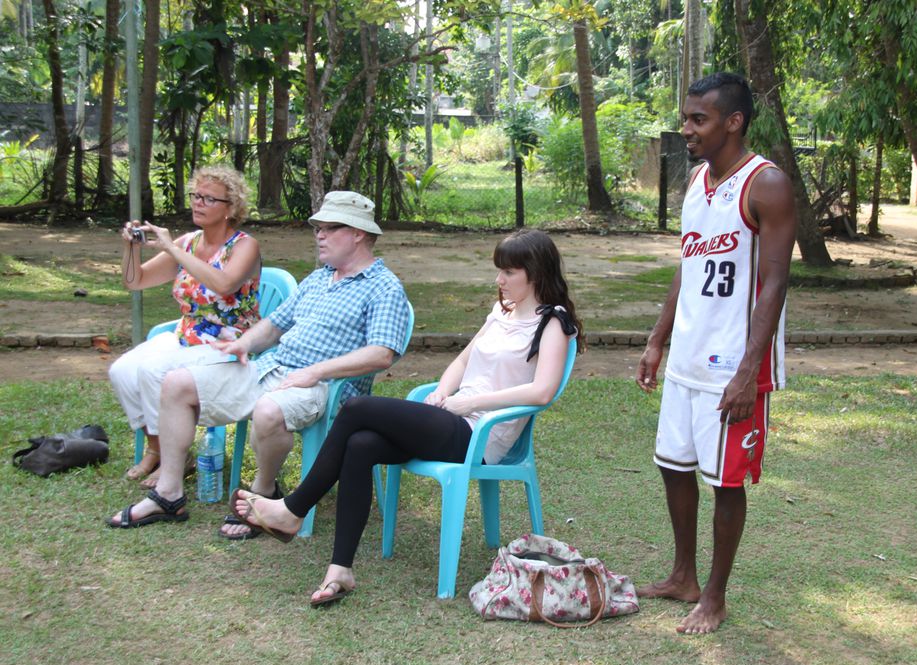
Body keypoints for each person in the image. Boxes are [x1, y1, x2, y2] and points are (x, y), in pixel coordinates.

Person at [229, 229, 582, 607]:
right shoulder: (501, 313)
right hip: (452, 417)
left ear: (535, 271)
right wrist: (445, 391)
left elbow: (542, 391)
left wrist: (470, 405)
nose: (499, 280)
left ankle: (294, 508)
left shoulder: (553, 323)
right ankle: (339, 570)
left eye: (509, 272)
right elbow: (463, 361)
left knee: (355, 409)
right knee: (360, 444)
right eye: (499, 271)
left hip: (480, 436)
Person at [107, 191, 410, 539]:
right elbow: (276, 324)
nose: (319, 235)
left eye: (328, 228)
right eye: (317, 229)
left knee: (268, 410)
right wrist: (243, 343)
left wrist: (316, 371)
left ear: (358, 233)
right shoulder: (320, 278)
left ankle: (263, 493)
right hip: (272, 368)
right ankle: (169, 493)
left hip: (325, 386)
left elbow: (382, 353)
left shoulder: (383, 288)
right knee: (177, 383)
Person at [635, 72, 796, 634]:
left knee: (724, 481)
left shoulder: (766, 184)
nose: (686, 129)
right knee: (672, 465)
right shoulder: (698, 180)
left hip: (734, 363)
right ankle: (684, 576)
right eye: (686, 118)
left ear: (734, 121)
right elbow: (690, 264)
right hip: (688, 358)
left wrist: (749, 371)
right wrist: (658, 339)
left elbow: (775, 281)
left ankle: (716, 596)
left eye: (698, 119)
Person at [109, 165, 261, 489]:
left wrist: (173, 249)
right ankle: (157, 448)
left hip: (227, 341)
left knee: (152, 371)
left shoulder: (244, 246)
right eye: (196, 195)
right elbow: (135, 281)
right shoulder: (189, 242)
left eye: (209, 198)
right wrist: (131, 247)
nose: (198, 203)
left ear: (230, 208)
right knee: (122, 370)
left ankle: (174, 459)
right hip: (187, 334)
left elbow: (223, 284)